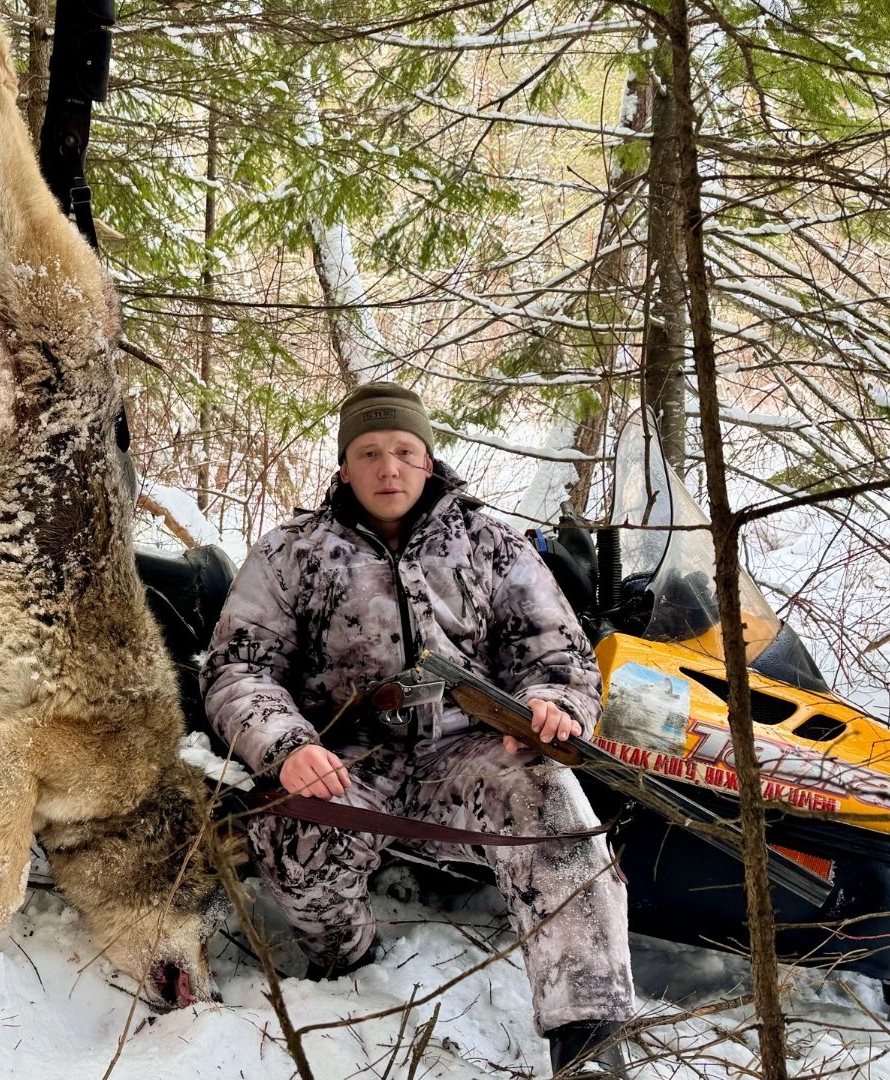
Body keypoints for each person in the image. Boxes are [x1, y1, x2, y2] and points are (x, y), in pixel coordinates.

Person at [201, 382, 636, 1076]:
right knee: (295, 829)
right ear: (344, 468)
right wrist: (288, 745)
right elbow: (237, 671)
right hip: (345, 755)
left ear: (428, 460)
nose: (388, 468)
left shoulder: (492, 546)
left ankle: (588, 1041)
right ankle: (347, 964)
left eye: (404, 450)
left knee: (554, 806)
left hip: (467, 751)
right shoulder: (291, 553)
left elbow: (556, 655)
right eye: (369, 452)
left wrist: (554, 704)